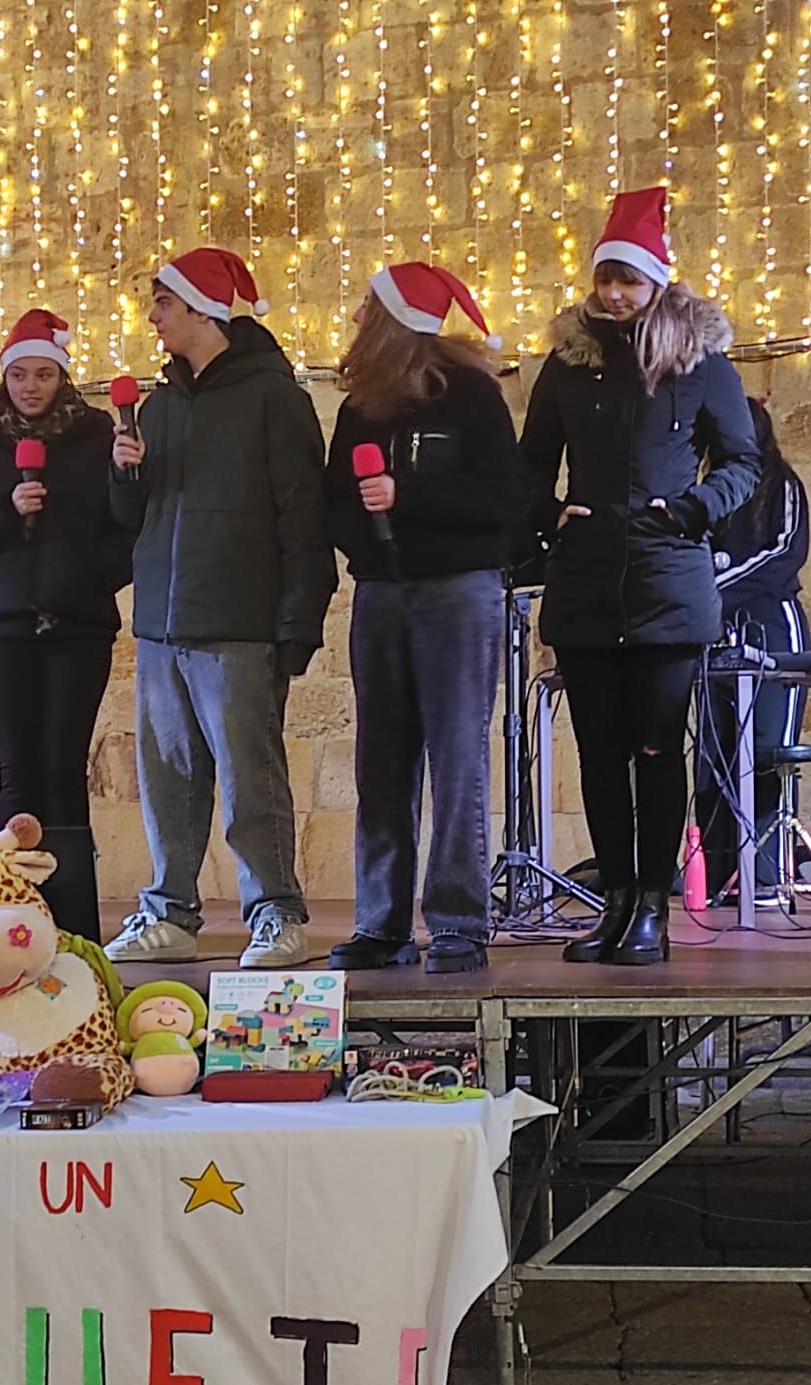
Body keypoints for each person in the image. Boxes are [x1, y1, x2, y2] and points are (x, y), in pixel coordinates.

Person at [519, 186, 760, 965]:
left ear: (657, 280)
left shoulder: (700, 364)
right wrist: (549, 516)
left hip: (668, 581)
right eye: (606, 279)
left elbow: (743, 461)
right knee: (599, 755)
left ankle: (653, 903)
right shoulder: (567, 365)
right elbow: (529, 464)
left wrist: (692, 511)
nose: (616, 294)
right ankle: (615, 900)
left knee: (657, 751)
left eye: (629, 280)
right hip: (587, 582)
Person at [105, 247, 336, 969]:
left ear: (204, 311)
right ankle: (169, 913)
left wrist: (297, 624)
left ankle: (277, 914)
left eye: (164, 303)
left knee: (249, 781)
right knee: (167, 782)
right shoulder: (159, 405)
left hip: (239, 623)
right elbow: (134, 518)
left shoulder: (275, 400)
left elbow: (305, 518)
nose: (152, 317)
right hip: (162, 626)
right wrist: (124, 473)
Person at [322, 263, 524, 976]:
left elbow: (504, 501)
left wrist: (406, 495)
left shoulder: (471, 395)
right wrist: (364, 533)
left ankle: (459, 921)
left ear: (395, 321)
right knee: (380, 761)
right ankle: (381, 924)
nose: (355, 319)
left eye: (367, 307)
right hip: (382, 592)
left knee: (457, 759)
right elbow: (336, 500)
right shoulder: (361, 408)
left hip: (457, 593)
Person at [0, 309, 131, 835]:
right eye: (19, 375)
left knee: (64, 770)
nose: (31, 387)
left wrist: (91, 576)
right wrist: (6, 508)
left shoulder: (98, 441)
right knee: (17, 774)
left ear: (62, 377)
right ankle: (14, 884)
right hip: (3, 628)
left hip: (79, 625)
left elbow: (127, 529)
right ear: (4, 378)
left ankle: (71, 885)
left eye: (44, 374)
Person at [695, 397, 811, 902]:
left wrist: (711, 589)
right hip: (715, 637)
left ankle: (764, 875)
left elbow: (783, 554)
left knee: (767, 751)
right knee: (715, 758)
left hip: (772, 632)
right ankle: (720, 875)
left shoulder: (782, 486)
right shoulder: (705, 494)